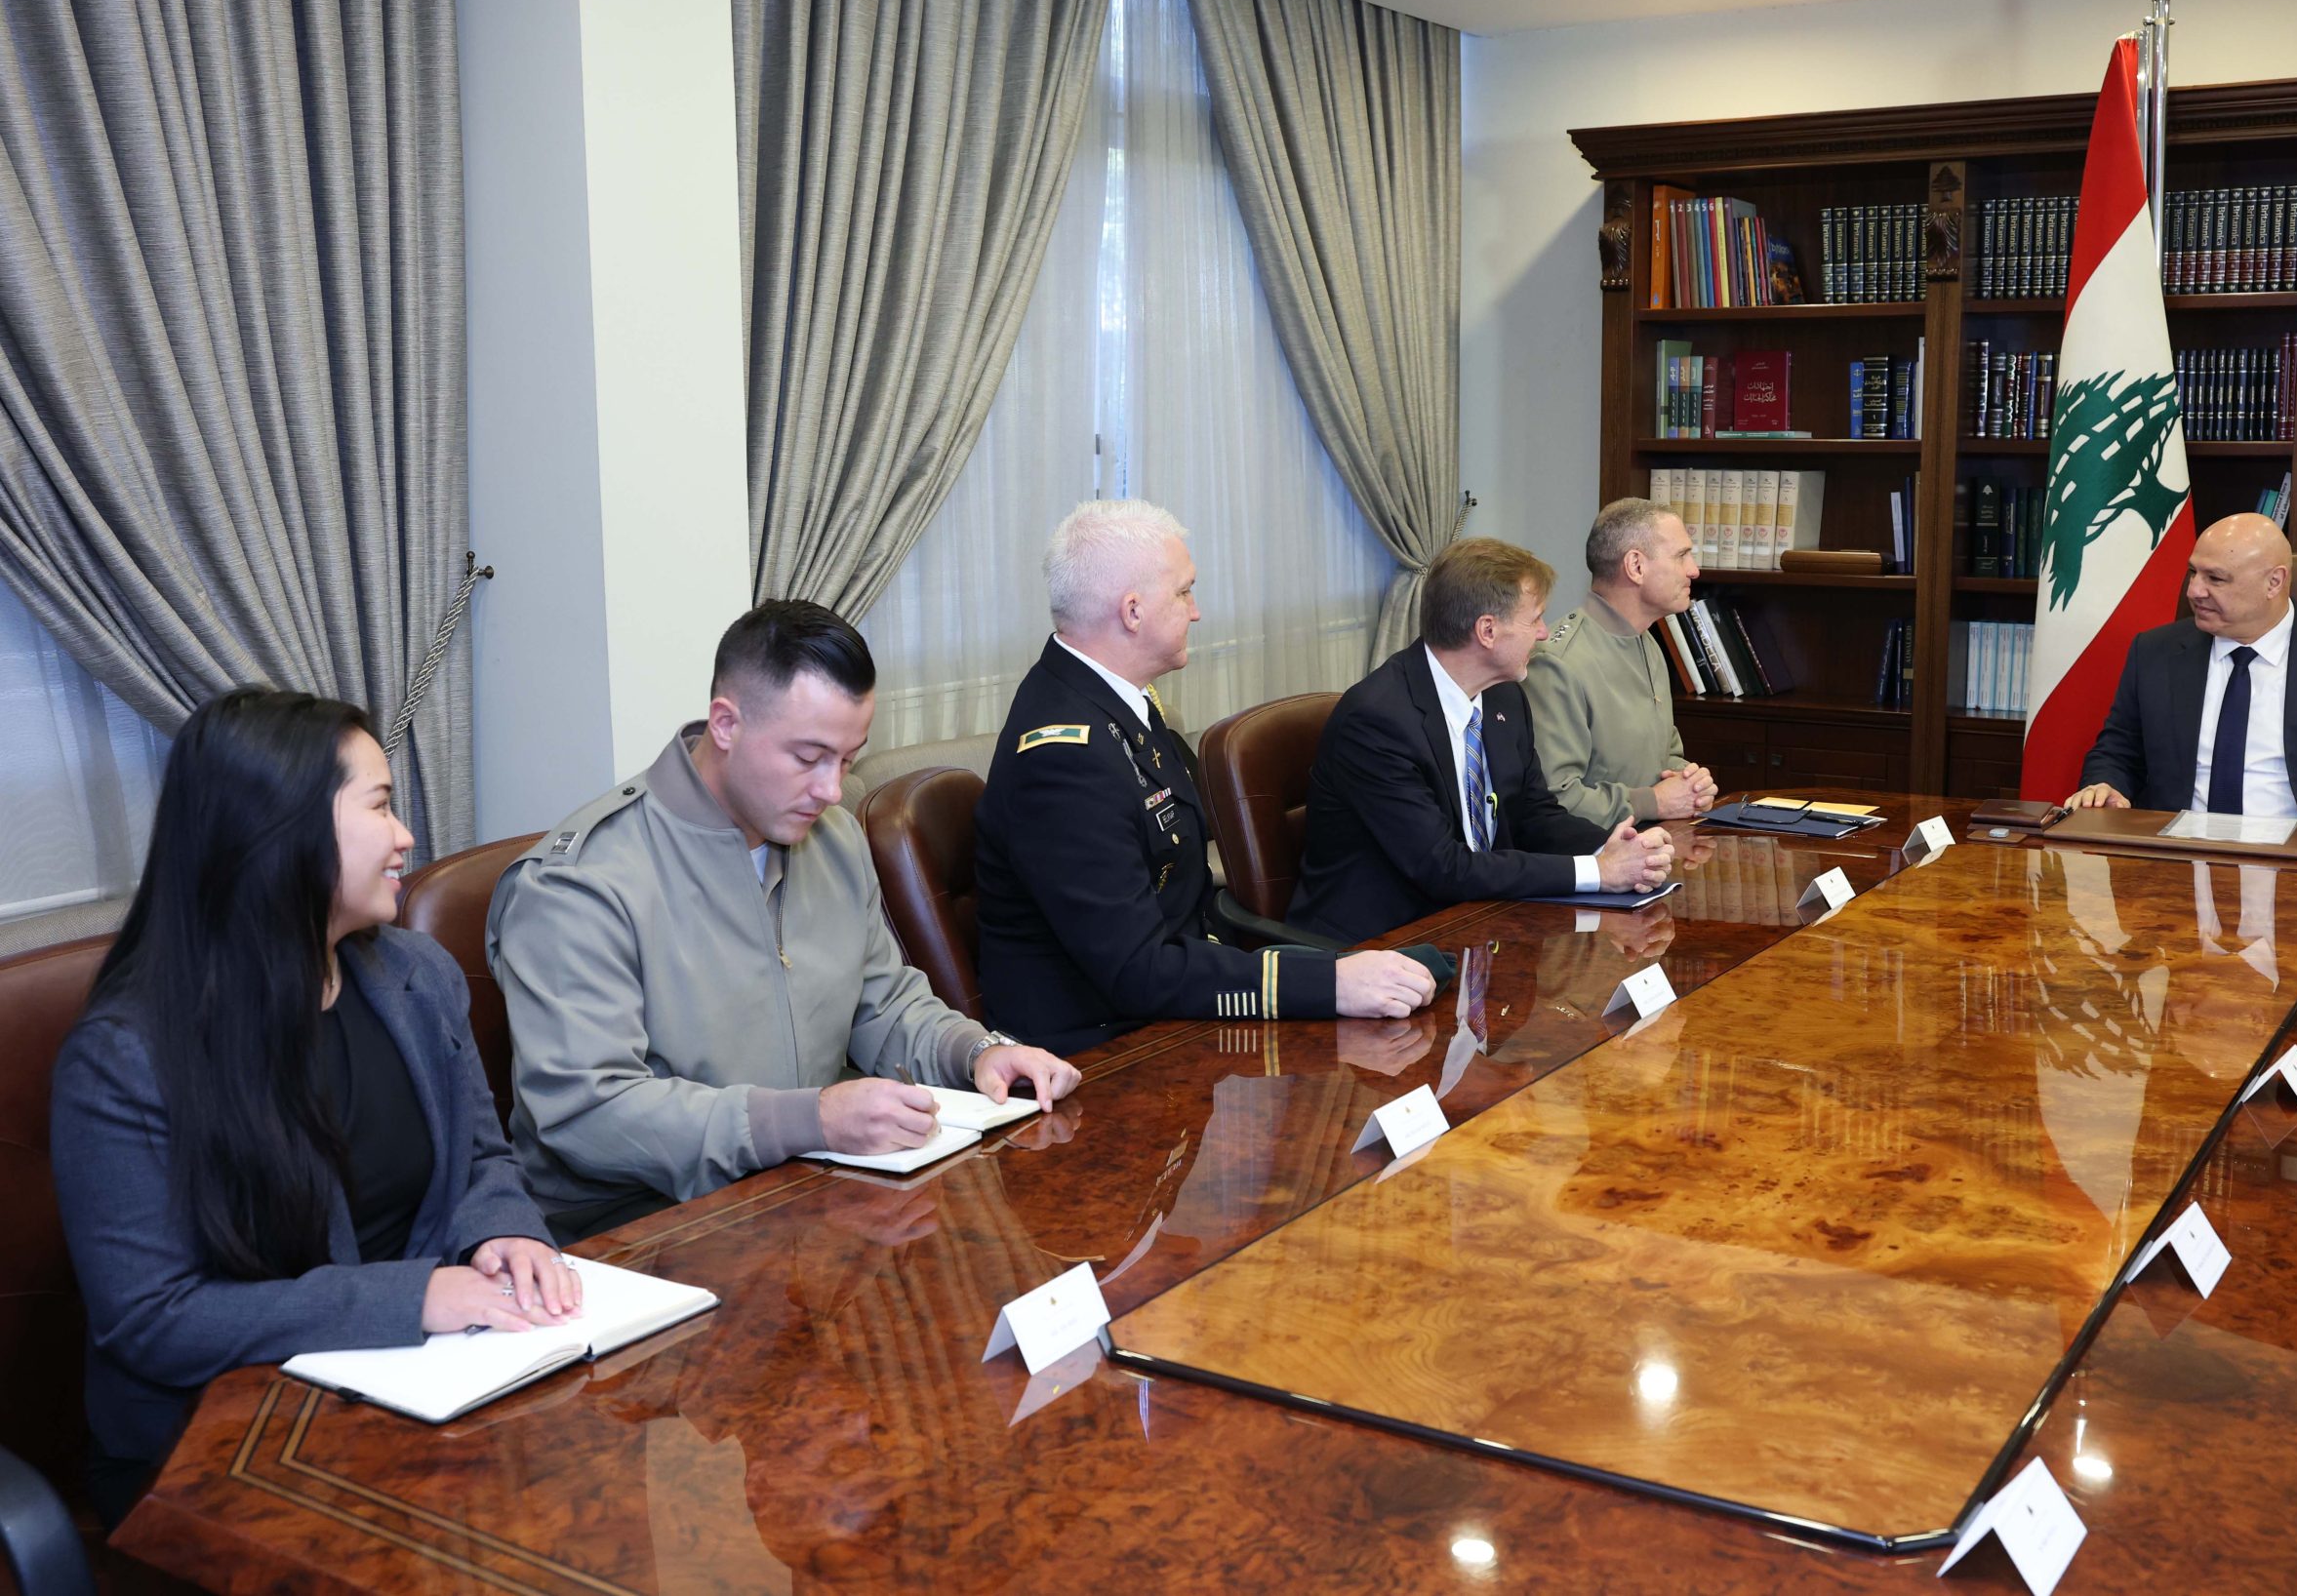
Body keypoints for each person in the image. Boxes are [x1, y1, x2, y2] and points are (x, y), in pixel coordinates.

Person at [52, 691, 571, 1526]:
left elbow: (481, 1158)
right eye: (381, 805)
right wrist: (415, 1297)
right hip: (229, 1446)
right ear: (281, 829)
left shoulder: (417, 974)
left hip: (426, 1390)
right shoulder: (126, 1056)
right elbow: (153, 1318)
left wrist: (503, 1231)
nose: (407, 836)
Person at [488, 602, 1082, 1241]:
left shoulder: (834, 840)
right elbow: (587, 1111)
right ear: (726, 724)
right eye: (808, 756)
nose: (832, 789)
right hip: (638, 1231)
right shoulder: (581, 883)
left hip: (803, 1193)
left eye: (847, 759)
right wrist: (809, 1120)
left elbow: (882, 1005)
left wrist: (977, 1052)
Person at [975, 501, 1439, 1051]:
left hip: (1166, 1005)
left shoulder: (1115, 701)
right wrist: (1329, 983)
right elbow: (1139, 971)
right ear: (1132, 612)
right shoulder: (1063, 758)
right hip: (1102, 1051)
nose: (1195, 611)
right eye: (1184, 592)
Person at [1287, 538, 1678, 945]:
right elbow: (1443, 867)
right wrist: (1598, 872)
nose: (1544, 634)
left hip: (1481, 921)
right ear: (1487, 631)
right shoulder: (1377, 721)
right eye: (1535, 619)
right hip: (1384, 943)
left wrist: (1617, 849)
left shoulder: (1503, 696)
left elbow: (1533, 814)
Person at [2064, 513, 2297, 839]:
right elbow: (2118, 750)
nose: (2194, 590)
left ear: (2274, 582)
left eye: (2216, 578)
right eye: (2193, 572)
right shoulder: (2155, 651)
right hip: (2175, 855)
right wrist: (2106, 785)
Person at [1525, 499, 1717, 825]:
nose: (1693, 570)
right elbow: (1555, 799)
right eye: (1681, 555)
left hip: (1656, 843)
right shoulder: (1558, 662)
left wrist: (1689, 782)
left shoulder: (1648, 644)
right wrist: (1653, 802)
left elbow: (1664, 755)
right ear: (1636, 566)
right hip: (1596, 853)